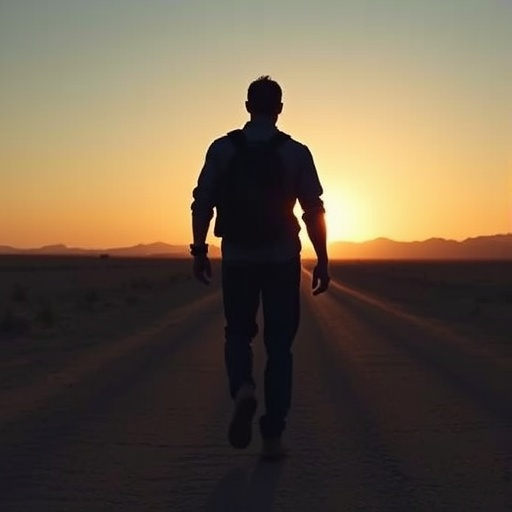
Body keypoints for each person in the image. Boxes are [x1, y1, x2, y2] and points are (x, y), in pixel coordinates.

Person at [190, 76, 330, 460]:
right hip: (282, 258)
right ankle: (272, 435)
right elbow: (313, 208)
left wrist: (200, 250)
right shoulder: (295, 152)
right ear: (280, 108)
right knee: (280, 347)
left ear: (247, 105)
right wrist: (322, 258)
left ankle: (244, 390)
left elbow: (202, 201)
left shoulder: (222, 149)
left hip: (237, 258)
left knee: (238, 333)